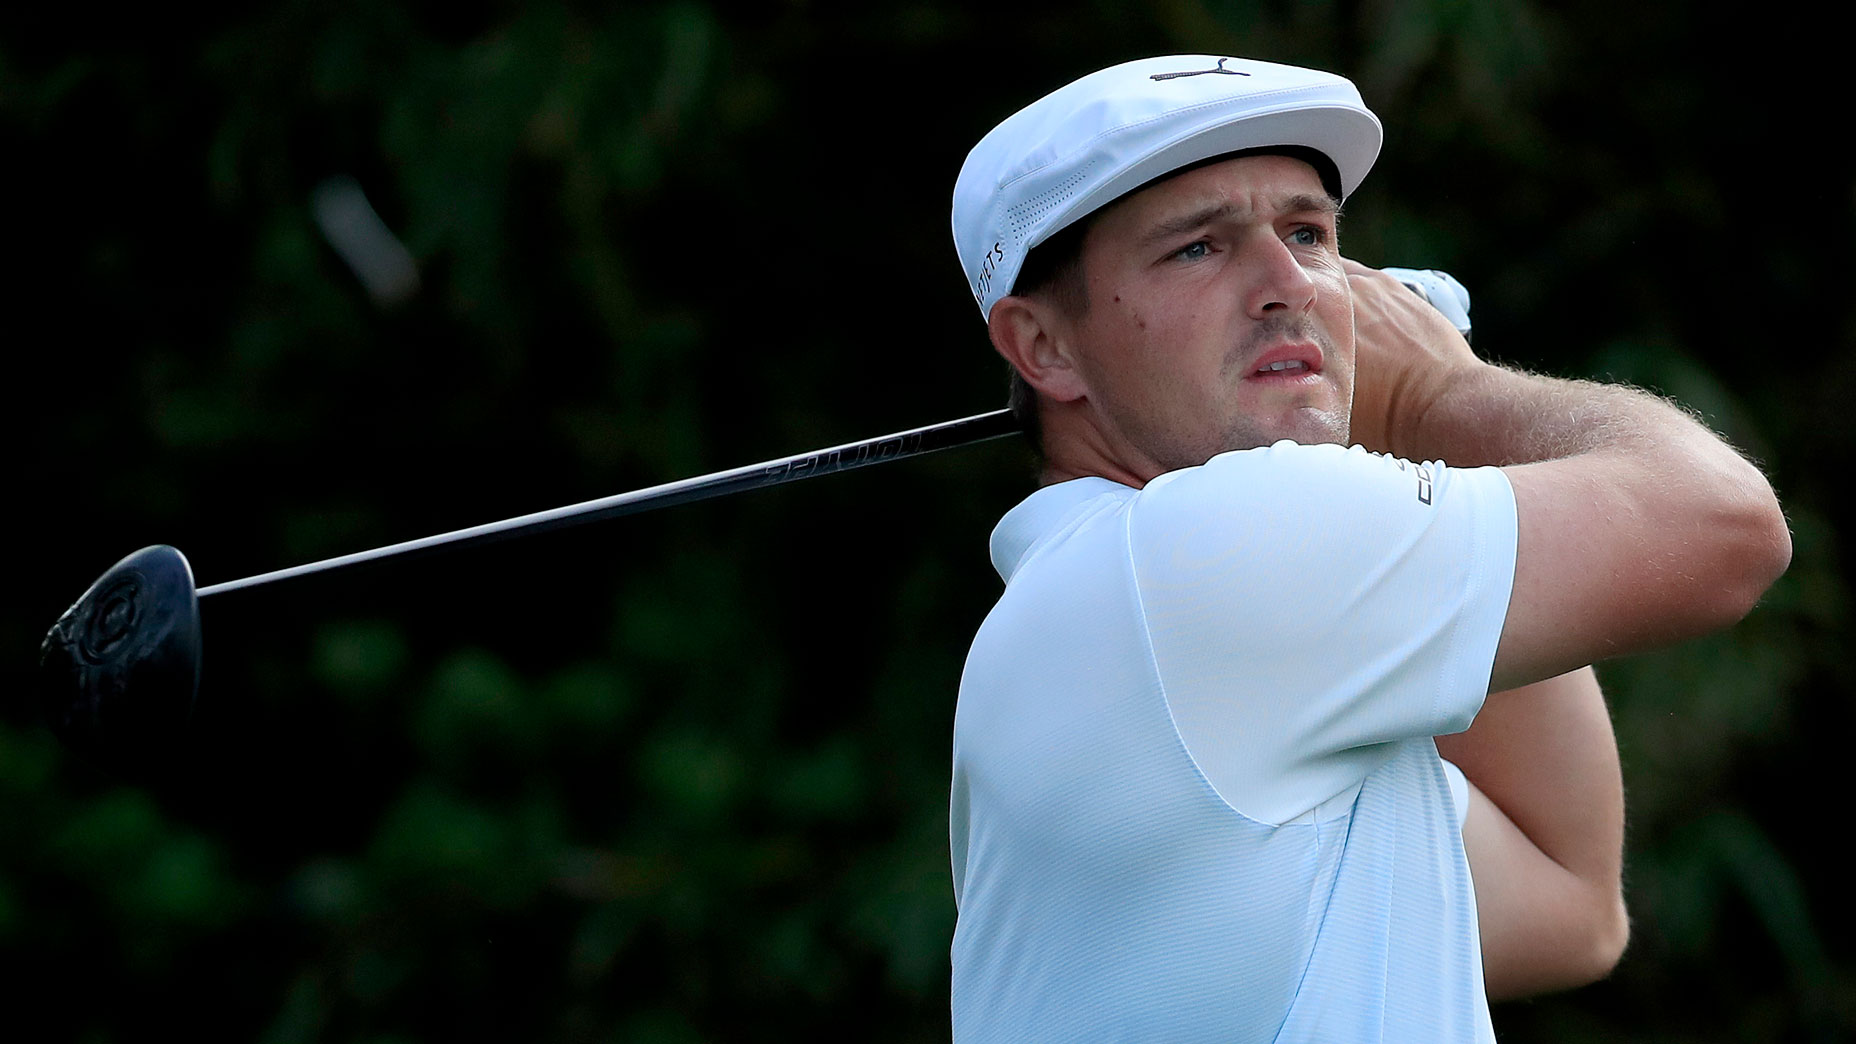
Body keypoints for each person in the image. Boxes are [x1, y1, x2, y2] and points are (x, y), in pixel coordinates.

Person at [946, 55, 1790, 1041]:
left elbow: (1568, 907)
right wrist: (1441, 398)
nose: (1288, 285)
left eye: (1306, 233)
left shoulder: (1154, 624)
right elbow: (1724, 530)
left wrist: (1417, 455)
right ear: (1042, 346)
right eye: (1197, 249)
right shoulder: (1199, 556)